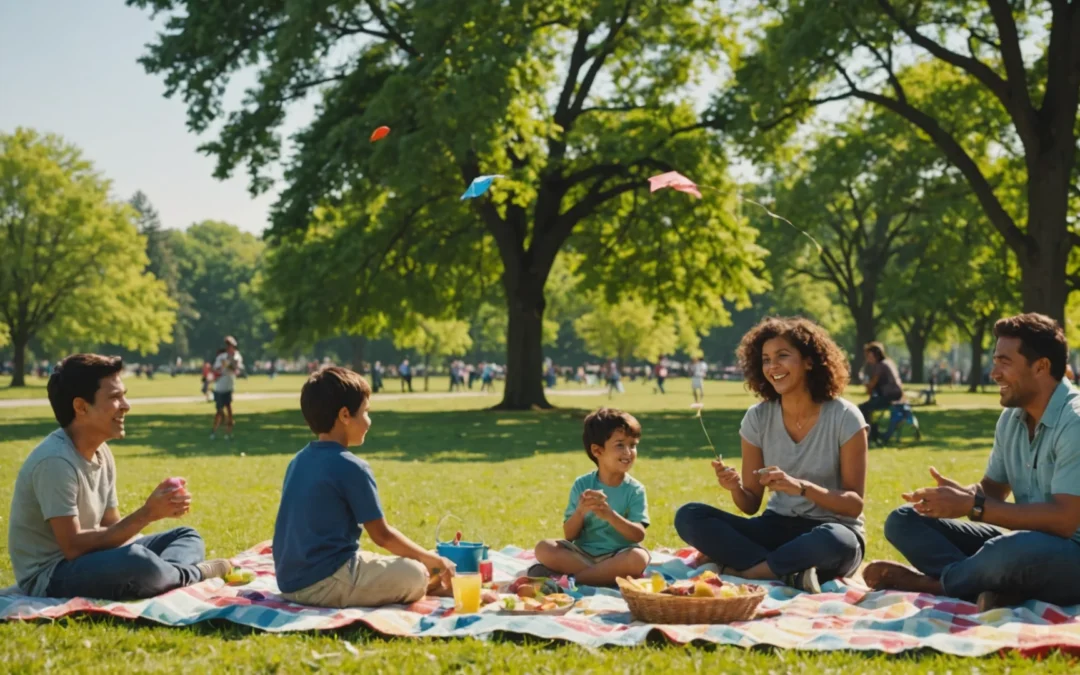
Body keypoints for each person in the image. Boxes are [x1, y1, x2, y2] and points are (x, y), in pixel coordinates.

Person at [862, 313, 1080, 610]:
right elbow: (993, 489)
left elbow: (1065, 521)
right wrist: (959, 497)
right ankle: (991, 587)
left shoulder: (1075, 422)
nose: (994, 373)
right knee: (904, 520)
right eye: (995, 361)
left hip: (1071, 554)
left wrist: (973, 507)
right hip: (1024, 544)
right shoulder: (1012, 418)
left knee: (1005, 551)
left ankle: (936, 584)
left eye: (1005, 362)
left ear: (1041, 366)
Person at [7, 354, 230, 600]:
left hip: (94, 558)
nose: (126, 405)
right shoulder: (55, 461)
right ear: (81, 407)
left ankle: (168, 576)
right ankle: (189, 575)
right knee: (136, 562)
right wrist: (147, 514)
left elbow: (111, 526)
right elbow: (72, 547)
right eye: (115, 397)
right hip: (51, 575)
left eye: (123, 395)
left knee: (185, 536)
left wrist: (153, 517)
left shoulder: (102, 452)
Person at [674, 317, 868, 593]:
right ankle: (787, 572)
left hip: (831, 528)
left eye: (782, 356)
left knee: (837, 541)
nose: (772, 366)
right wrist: (734, 488)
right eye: (765, 359)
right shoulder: (757, 418)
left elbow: (853, 505)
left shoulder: (845, 416)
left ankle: (749, 570)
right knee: (689, 516)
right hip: (775, 529)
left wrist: (800, 487)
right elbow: (751, 504)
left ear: (809, 361)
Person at [273, 366, 456, 607]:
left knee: (393, 563)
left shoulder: (298, 460)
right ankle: (428, 582)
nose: (369, 421)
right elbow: (382, 535)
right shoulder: (352, 467)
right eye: (366, 412)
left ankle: (423, 575)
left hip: (289, 582)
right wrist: (428, 559)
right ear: (345, 415)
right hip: (322, 583)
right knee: (414, 572)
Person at [530, 408, 650, 586]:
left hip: (617, 556)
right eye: (620, 445)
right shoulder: (582, 485)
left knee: (638, 558)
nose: (628, 452)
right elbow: (569, 535)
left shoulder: (635, 489)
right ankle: (602, 577)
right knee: (544, 547)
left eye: (633, 445)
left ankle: (573, 579)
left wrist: (609, 515)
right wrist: (580, 512)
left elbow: (638, 535)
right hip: (581, 555)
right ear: (597, 451)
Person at [859, 342, 904, 445]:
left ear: (876, 355)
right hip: (895, 394)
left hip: (890, 396)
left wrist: (866, 383)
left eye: (869, 356)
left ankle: (869, 435)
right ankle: (873, 433)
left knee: (863, 408)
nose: (868, 359)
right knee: (868, 407)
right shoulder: (887, 362)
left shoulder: (880, 365)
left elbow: (872, 384)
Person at [210, 337, 243, 440]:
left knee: (229, 408)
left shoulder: (237, 357)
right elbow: (216, 368)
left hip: (229, 386)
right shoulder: (221, 357)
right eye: (228, 346)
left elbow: (236, 368)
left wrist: (230, 363)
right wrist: (221, 369)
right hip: (219, 386)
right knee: (219, 410)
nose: (230, 348)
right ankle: (215, 430)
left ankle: (228, 432)